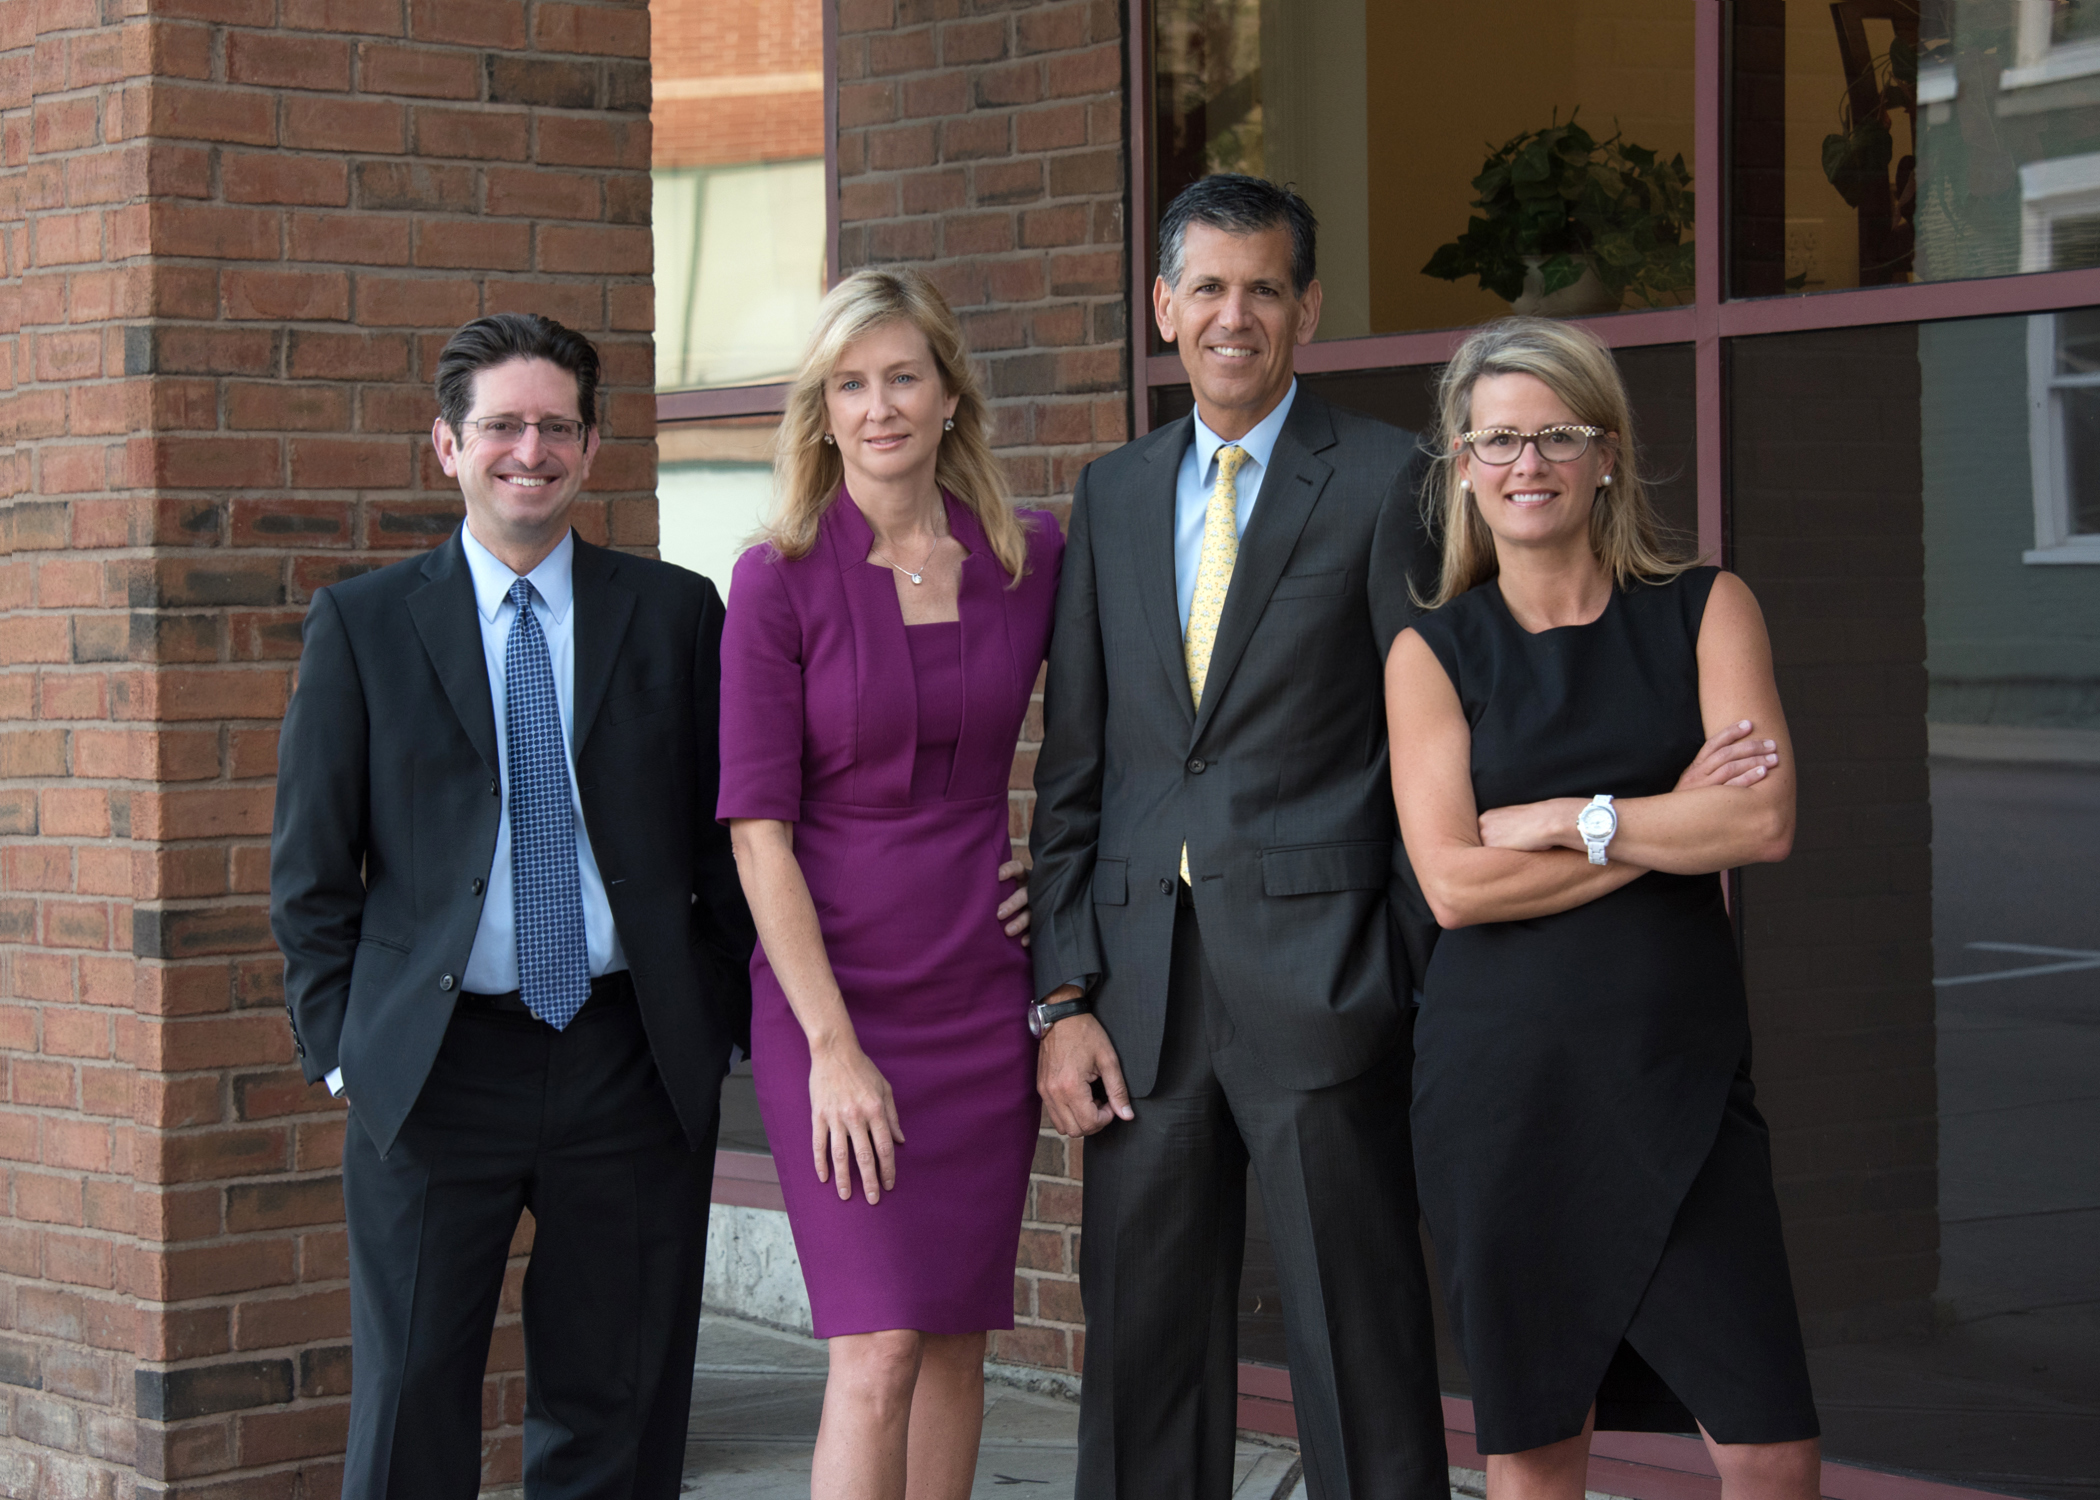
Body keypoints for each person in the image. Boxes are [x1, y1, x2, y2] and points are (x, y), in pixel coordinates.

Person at [270, 313, 755, 1500]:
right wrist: (345, 1052)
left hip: (626, 1057)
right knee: (409, 1404)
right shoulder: (366, 626)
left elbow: (727, 843)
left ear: (592, 448)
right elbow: (311, 870)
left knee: (618, 1401)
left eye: (554, 426)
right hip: (435, 1069)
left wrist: (712, 1012)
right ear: (447, 445)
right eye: (500, 425)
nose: (526, 450)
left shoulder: (678, 614)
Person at [1026, 173, 1448, 1500]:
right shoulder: (1110, 494)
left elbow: (1434, 746)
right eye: (1206, 287)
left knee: (1360, 1352)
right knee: (1142, 1361)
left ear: (1307, 307)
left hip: (1327, 982)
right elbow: (1076, 768)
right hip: (1142, 997)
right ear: (1163, 306)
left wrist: (1397, 964)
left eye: (1264, 287)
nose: (1234, 315)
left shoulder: (1392, 480)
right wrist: (1061, 993)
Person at [1386, 316, 1822, 1500]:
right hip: (1505, 1098)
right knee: (1539, 1453)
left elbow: (1761, 822)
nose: (1528, 464)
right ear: (1464, 467)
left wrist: (1569, 818)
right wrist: (1658, 818)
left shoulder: (1705, 608)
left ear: (1609, 454)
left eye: (1558, 436)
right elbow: (1456, 886)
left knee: (1773, 1451)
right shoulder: (1433, 651)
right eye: (1500, 441)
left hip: (1678, 1082)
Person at [717, 267, 1062, 1500]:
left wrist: (1057, 892)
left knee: (960, 1338)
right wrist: (830, 1048)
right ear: (819, 413)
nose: (879, 407)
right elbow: (758, 833)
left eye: (903, 376)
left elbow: (1120, 753)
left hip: (982, 982)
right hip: (835, 994)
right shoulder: (778, 579)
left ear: (950, 394)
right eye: (850, 385)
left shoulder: (1030, 560)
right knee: (876, 1347)